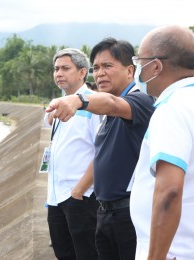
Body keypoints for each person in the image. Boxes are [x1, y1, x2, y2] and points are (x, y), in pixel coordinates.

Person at [46, 38, 155, 260]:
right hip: (106, 211)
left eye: (108, 66)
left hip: (125, 212)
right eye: (97, 68)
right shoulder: (108, 109)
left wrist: (79, 100)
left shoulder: (138, 101)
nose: (100, 73)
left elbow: (113, 105)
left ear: (130, 70)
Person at [129, 25, 194, 260]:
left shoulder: (173, 109)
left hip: (178, 251)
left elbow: (170, 191)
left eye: (139, 60)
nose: (137, 68)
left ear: (155, 66)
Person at [44, 48, 100, 260]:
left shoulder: (94, 103)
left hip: (80, 197)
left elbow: (102, 153)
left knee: (87, 254)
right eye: (56, 69)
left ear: (82, 72)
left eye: (66, 68)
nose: (59, 73)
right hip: (56, 196)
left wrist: (79, 192)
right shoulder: (60, 103)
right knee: (63, 253)